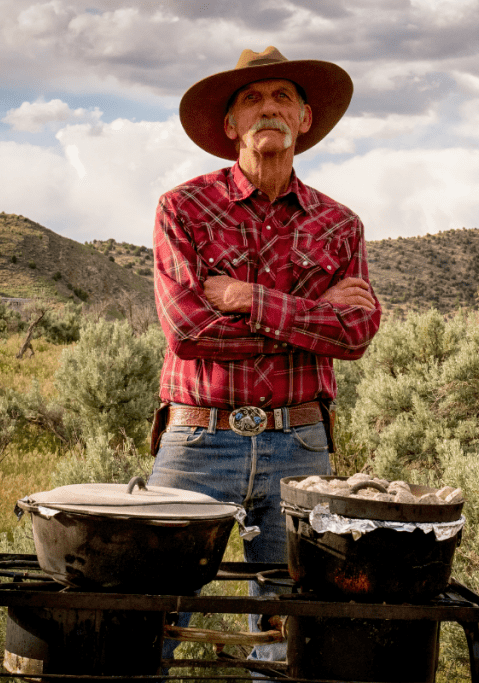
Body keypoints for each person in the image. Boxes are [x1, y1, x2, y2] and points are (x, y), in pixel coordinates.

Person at [147, 46, 381, 666]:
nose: (267, 108)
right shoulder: (184, 209)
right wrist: (310, 317)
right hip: (198, 440)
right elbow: (188, 332)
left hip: (298, 444)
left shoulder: (339, 225)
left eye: (282, 96)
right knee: (152, 618)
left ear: (304, 118)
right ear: (230, 126)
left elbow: (355, 335)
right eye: (251, 98)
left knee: (290, 630)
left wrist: (247, 297)